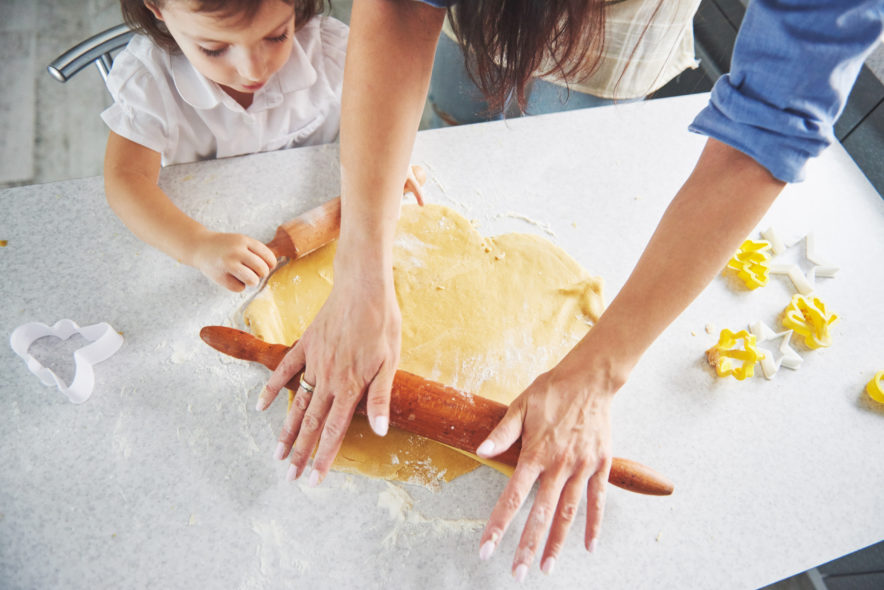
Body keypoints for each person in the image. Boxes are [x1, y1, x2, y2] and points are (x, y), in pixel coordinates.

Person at [257, 0, 884, 581]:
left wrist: (601, 368)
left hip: (618, 40)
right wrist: (363, 266)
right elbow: (399, 11)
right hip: (475, 25)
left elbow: (768, 122)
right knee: (458, 103)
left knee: (560, 121)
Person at [102, 0, 346, 292]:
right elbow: (126, 178)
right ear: (157, 8)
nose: (253, 71)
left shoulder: (333, 52)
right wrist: (197, 245)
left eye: (276, 36)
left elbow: (377, 117)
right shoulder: (150, 83)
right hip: (191, 222)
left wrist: (381, 165)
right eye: (214, 49)